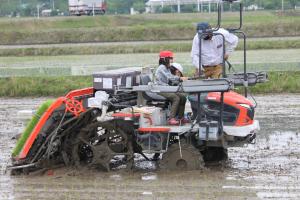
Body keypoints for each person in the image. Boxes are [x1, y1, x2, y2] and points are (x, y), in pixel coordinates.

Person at [155, 51, 188, 125]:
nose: (172, 60)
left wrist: (180, 79)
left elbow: (171, 78)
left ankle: (180, 117)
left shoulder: (166, 68)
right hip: (160, 89)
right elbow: (170, 77)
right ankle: (171, 118)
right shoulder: (162, 67)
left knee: (183, 97)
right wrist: (180, 78)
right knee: (176, 98)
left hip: (165, 88)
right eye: (170, 58)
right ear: (165, 59)